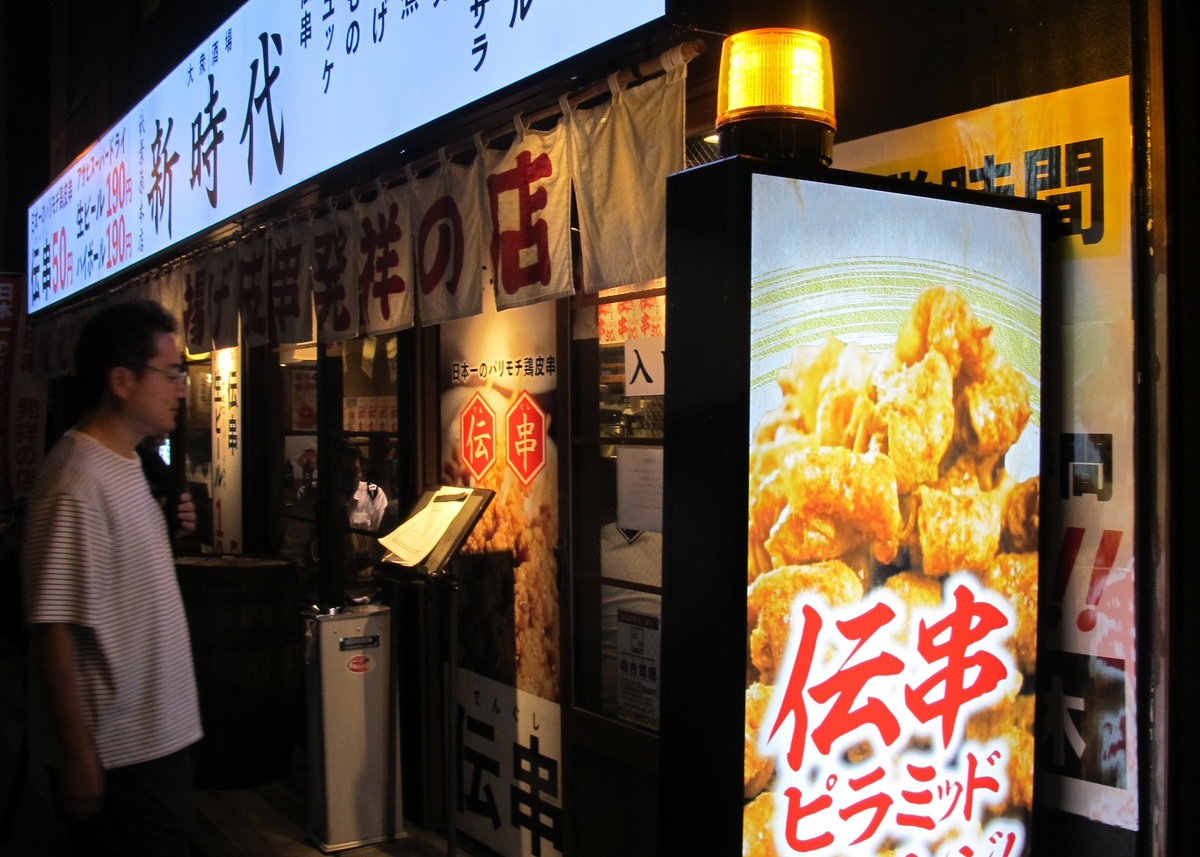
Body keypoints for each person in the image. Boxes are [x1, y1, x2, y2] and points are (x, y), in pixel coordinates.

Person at [20, 300, 203, 855]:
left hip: (155, 740)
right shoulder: (76, 481)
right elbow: (52, 627)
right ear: (121, 381)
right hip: (120, 753)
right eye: (171, 373)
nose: (180, 388)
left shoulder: (126, 462)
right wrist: (79, 758)